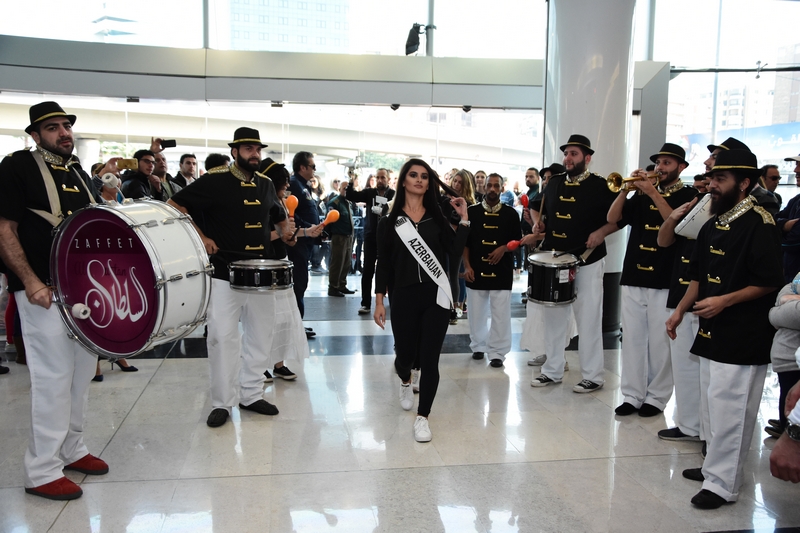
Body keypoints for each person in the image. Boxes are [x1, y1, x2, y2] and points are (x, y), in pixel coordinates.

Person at [0, 101, 109, 500]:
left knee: (82, 374)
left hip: (81, 290)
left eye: (66, 126)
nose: (64, 132)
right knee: (52, 378)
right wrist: (29, 282)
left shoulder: (78, 172)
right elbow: (4, 229)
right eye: (52, 128)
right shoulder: (16, 166)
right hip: (41, 291)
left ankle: (72, 448)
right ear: (34, 134)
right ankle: (41, 469)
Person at [666, 149, 783, 509]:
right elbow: (699, 276)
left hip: (743, 332)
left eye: (720, 180)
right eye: (713, 178)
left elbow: (768, 282)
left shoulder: (761, 223)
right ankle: (712, 467)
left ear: (744, 183)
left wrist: (724, 301)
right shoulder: (713, 222)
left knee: (731, 409)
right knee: (712, 407)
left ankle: (723, 485)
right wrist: (681, 310)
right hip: (709, 329)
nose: (712, 185)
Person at [168, 127, 294, 428]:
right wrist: (201, 237)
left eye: (258, 149)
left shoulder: (265, 184)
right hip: (224, 273)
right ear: (234, 152)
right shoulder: (214, 181)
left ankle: (250, 394)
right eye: (248, 149)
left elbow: (278, 213)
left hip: (261, 274)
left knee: (261, 336)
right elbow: (175, 205)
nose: (254, 154)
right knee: (222, 338)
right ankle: (221, 402)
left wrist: (286, 231)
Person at [373, 159, 469, 442]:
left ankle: (423, 417)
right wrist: (379, 301)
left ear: (429, 183)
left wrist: (463, 220)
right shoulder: (388, 223)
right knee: (405, 357)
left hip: (435, 295)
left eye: (424, 176)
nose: (419, 180)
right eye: (413, 175)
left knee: (430, 360)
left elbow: (453, 252)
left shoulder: (437, 217)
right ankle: (405, 378)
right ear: (403, 181)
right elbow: (383, 265)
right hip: (402, 297)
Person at [607, 143, 697, 417]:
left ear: (681, 167)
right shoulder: (642, 194)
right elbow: (612, 217)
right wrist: (625, 189)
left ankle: (656, 398)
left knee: (660, 343)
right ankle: (632, 394)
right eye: (659, 163)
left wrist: (652, 191)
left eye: (667, 163)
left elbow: (675, 222)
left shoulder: (689, 194)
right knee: (633, 339)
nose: (660, 168)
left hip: (664, 278)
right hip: (634, 274)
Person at [523, 135, 618, 392]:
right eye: (566, 153)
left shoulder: (601, 185)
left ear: (587, 158)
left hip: (587, 260)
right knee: (554, 317)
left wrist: (602, 233)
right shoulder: (553, 183)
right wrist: (539, 224)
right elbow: (540, 211)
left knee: (588, 318)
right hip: (556, 259)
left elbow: (620, 217)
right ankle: (552, 370)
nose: (568, 158)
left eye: (574, 154)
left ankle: (593, 375)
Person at [463, 173, 521, 368]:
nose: (493, 189)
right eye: (490, 185)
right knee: (476, 312)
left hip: (502, 269)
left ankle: (498, 352)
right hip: (476, 269)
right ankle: (478, 346)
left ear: (502, 188)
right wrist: (467, 266)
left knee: (501, 314)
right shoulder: (472, 212)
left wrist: (503, 248)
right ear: (484, 187)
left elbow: (517, 242)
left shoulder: (511, 213)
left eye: (497, 186)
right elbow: (465, 243)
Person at [345, 168, 395, 315]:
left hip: (388, 237)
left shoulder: (393, 194)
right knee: (368, 269)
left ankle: (392, 300)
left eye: (383, 178)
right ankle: (365, 303)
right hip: (371, 235)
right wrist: (351, 181)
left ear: (388, 179)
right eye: (378, 177)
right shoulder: (369, 193)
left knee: (389, 269)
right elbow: (351, 195)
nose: (380, 180)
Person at [286, 151, 325, 325]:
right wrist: (308, 228)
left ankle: (298, 324)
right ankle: (295, 326)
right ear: (302, 167)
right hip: (298, 240)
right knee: (298, 283)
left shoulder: (304, 185)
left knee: (301, 283)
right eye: (312, 166)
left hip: (307, 240)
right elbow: (291, 214)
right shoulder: (293, 184)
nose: (314, 170)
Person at [766, 282, 800, 439]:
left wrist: (775, 312)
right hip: (786, 360)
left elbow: (795, 314)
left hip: (794, 363)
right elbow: (787, 289)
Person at [326, 180, 356, 297]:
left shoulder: (348, 202)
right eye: (344, 188)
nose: (346, 191)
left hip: (348, 236)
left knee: (346, 262)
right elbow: (329, 220)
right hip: (339, 236)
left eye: (348, 189)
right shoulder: (335, 203)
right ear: (339, 189)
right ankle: (333, 287)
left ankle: (342, 285)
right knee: (337, 262)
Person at [775, 153, 800, 282]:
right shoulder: (796, 200)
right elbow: (770, 221)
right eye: (796, 165)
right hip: (789, 279)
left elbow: (793, 242)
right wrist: (785, 225)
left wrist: (777, 232)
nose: (796, 170)